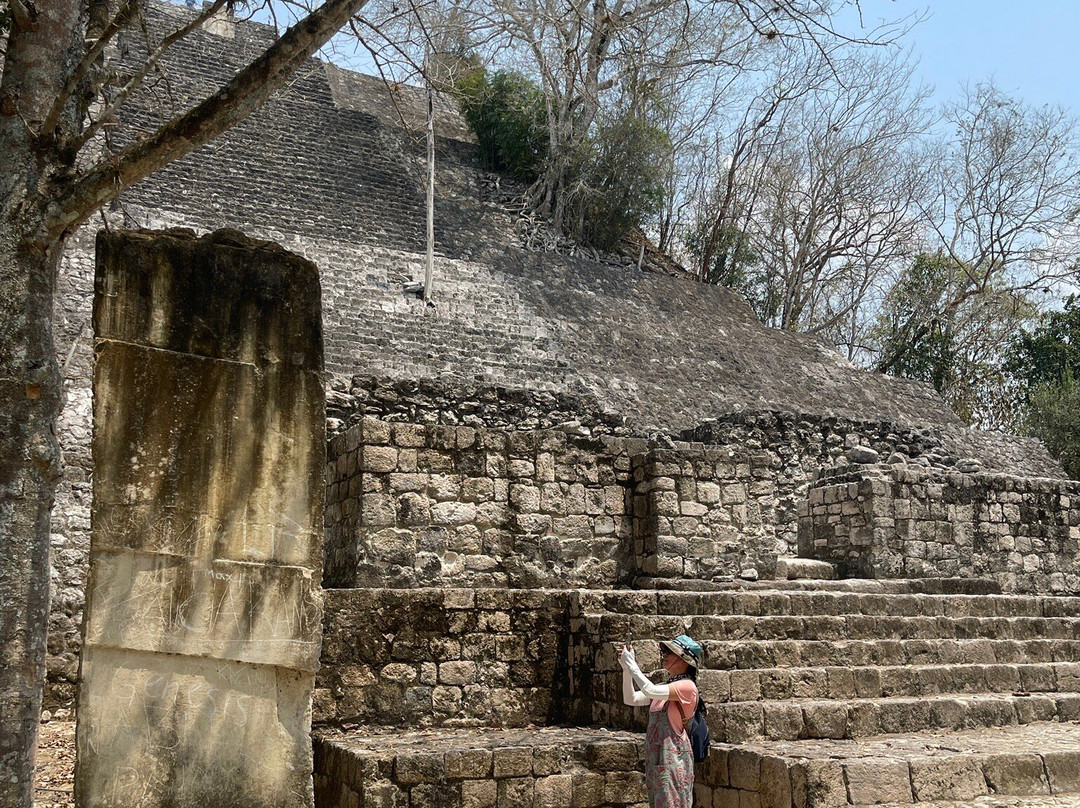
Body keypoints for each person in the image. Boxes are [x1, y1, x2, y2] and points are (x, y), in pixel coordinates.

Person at [619, 634, 703, 808]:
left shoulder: (687, 687)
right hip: (656, 760)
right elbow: (631, 699)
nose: (665, 655)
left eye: (670, 652)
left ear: (684, 660)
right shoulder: (665, 687)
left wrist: (632, 665)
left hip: (674, 760)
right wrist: (626, 669)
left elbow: (649, 690)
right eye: (665, 651)